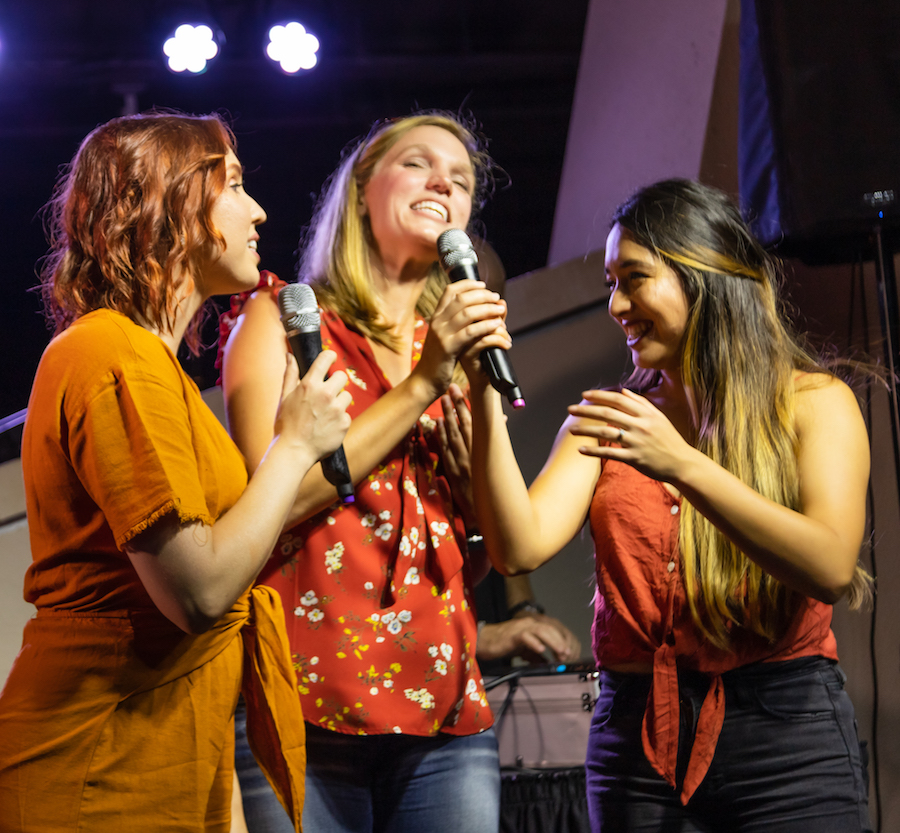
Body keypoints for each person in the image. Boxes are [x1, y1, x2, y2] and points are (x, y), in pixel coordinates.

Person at [468, 178, 874, 832]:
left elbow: (828, 564)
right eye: (609, 283)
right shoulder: (606, 422)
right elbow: (521, 546)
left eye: (634, 278)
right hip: (635, 737)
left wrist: (682, 464)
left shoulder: (814, 403)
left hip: (786, 734)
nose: (617, 305)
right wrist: (482, 398)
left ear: (706, 276)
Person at [0, 112, 352, 833]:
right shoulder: (109, 356)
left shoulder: (152, 367)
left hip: (164, 756)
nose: (258, 211)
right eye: (235, 185)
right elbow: (199, 593)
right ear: (169, 202)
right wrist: (293, 446)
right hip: (97, 767)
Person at [220, 112, 514, 833]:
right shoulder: (282, 321)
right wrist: (421, 384)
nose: (445, 181)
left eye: (463, 179)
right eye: (419, 163)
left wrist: (474, 462)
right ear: (360, 192)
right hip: (305, 699)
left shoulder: (461, 340)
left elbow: (492, 548)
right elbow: (268, 507)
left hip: (444, 703)